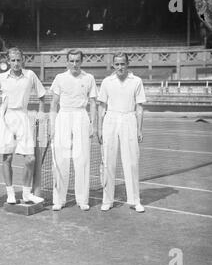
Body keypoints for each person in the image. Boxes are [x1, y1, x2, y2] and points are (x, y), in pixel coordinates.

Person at [0, 47, 46, 204]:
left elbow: (42, 95)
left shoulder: (30, 75)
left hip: (23, 117)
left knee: (30, 159)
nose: (16, 63)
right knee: (7, 157)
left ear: (23, 60)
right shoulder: (0, 78)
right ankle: (10, 194)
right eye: (13, 60)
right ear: (8, 61)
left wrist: (41, 112)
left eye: (18, 60)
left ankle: (26, 194)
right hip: (6, 118)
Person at [97, 52, 146, 213]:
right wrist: (99, 128)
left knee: (131, 162)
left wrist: (139, 129)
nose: (120, 67)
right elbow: (102, 106)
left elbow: (139, 107)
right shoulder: (106, 82)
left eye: (122, 64)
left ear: (127, 64)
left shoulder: (137, 81)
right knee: (108, 161)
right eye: (117, 64)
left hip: (129, 119)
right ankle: (107, 200)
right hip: (110, 120)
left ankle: (134, 200)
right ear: (113, 65)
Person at [49, 49, 98, 211]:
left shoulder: (89, 78)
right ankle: (59, 199)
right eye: (71, 61)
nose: (74, 64)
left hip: (81, 117)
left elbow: (92, 103)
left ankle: (82, 199)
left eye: (77, 61)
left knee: (82, 159)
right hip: (63, 117)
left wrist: (93, 125)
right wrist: (52, 125)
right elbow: (54, 104)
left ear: (81, 61)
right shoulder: (60, 78)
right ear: (67, 62)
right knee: (61, 160)